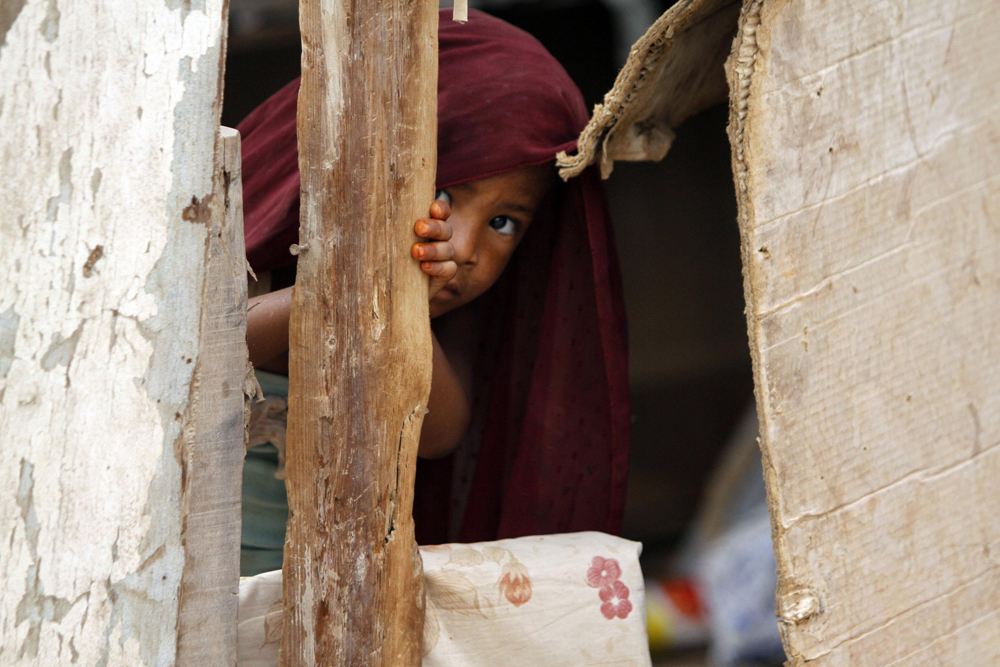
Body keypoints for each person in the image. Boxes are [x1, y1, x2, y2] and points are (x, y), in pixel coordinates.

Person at [237, 8, 631, 576]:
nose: (464, 248)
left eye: (503, 223)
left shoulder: (454, 322)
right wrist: (339, 293)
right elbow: (205, 352)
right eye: (444, 192)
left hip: (303, 591)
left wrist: (397, 306)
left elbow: (439, 433)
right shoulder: (252, 241)